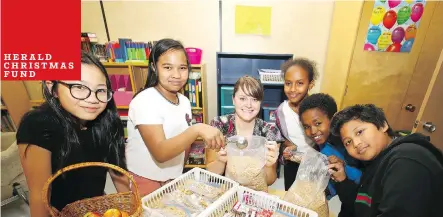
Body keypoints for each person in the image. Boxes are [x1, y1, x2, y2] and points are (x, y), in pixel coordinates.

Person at [17, 52, 129, 216]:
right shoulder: (38, 125)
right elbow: (39, 196)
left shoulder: (107, 120)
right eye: (79, 87)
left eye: (101, 90)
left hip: (96, 211)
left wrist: (131, 209)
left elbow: (119, 175)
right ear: (52, 87)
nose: (92, 99)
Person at [125, 38, 224, 196]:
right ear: (154, 67)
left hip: (172, 177)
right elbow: (161, 152)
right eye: (167, 67)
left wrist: (177, 173)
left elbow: (183, 143)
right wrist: (197, 129)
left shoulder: (184, 101)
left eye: (182, 68)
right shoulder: (145, 100)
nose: (176, 75)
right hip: (145, 179)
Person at [329, 104, 443, 217]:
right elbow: (362, 205)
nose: (356, 143)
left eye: (359, 132)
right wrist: (342, 180)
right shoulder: (375, 161)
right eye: (348, 142)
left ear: (383, 125)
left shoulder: (406, 161)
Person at [207, 75, 283, 187]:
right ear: (233, 100)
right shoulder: (219, 126)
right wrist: (220, 161)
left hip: (254, 193)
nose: (248, 105)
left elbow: (269, 181)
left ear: (260, 102)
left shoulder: (270, 132)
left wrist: (270, 165)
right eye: (242, 98)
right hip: (226, 192)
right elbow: (211, 173)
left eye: (255, 99)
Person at [299, 93, 362, 217]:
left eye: (317, 123)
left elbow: (362, 175)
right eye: (306, 126)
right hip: (345, 199)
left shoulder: (347, 140)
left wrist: (343, 167)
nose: (312, 131)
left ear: (332, 119)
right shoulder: (324, 143)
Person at [274, 57, 317, 190]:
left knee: (310, 196)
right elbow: (280, 138)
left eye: (299, 83)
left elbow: (326, 136)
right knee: (291, 196)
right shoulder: (281, 111)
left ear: (310, 84)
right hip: (292, 163)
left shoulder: (318, 109)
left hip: (313, 164)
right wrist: (285, 147)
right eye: (288, 83)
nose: (293, 89)